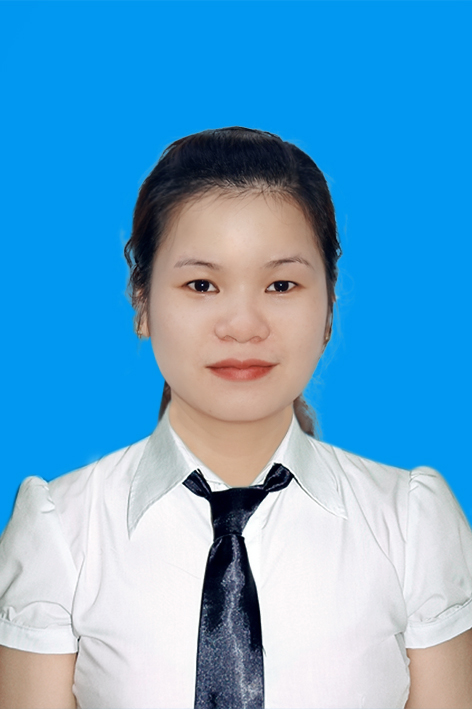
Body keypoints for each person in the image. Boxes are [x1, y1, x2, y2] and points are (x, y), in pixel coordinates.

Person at [0, 127, 471, 709]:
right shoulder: (63, 533)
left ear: (329, 306)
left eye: (281, 284)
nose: (243, 325)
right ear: (142, 301)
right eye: (202, 284)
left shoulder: (411, 525)